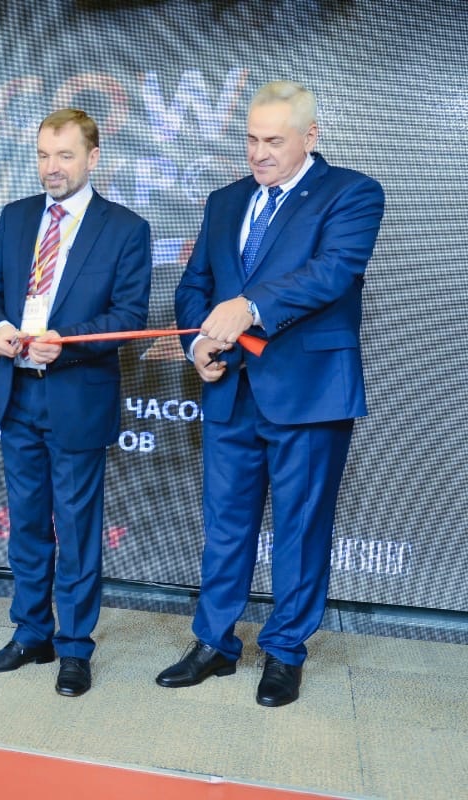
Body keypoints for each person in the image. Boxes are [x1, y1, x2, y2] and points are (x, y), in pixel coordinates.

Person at [158, 81, 385, 707]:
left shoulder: (353, 193)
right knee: (224, 526)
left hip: (309, 393)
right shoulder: (225, 200)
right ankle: (214, 643)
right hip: (230, 390)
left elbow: (333, 272)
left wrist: (250, 306)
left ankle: (285, 651)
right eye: (252, 140)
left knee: (301, 528)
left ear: (310, 137)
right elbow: (194, 286)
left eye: (274, 142)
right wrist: (197, 344)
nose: (259, 153)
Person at [0, 109, 152, 697]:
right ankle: (31, 634)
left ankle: (74, 646)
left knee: (75, 530)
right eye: (44, 155)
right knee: (26, 526)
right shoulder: (16, 216)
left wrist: (65, 343)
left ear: (92, 158)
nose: (52, 167)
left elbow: (129, 316)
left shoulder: (125, 228)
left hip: (76, 397)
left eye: (65, 155)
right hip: (17, 392)